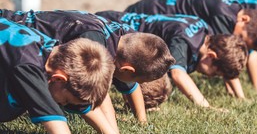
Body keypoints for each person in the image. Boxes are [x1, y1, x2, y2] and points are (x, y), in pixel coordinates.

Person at [0, 9, 175, 128]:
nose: (137, 85)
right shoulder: (94, 43)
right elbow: (101, 95)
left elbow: (130, 86)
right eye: (139, 80)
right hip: (10, 33)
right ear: (128, 70)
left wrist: (142, 121)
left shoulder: (125, 39)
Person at [0, 18, 117, 134]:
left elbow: (82, 107)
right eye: (66, 101)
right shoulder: (27, 63)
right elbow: (50, 113)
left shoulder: (51, 53)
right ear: (58, 79)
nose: (64, 105)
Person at [123, 0, 257, 97]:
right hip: (148, 11)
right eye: (241, 36)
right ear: (244, 20)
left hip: (158, 14)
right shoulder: (223, 16)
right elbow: (225, 56)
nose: (238, 39)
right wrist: (239, 96)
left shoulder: (232, 8)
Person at [95, 11, 248, 109]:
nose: (211, 76)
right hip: (110, 27)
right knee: (153, 92)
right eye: (215, 73)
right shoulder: (183, 41)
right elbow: (178, 75)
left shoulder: (205, 33)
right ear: (211, 56)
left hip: (119, 20)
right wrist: (206, 107)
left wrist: (240, 96)